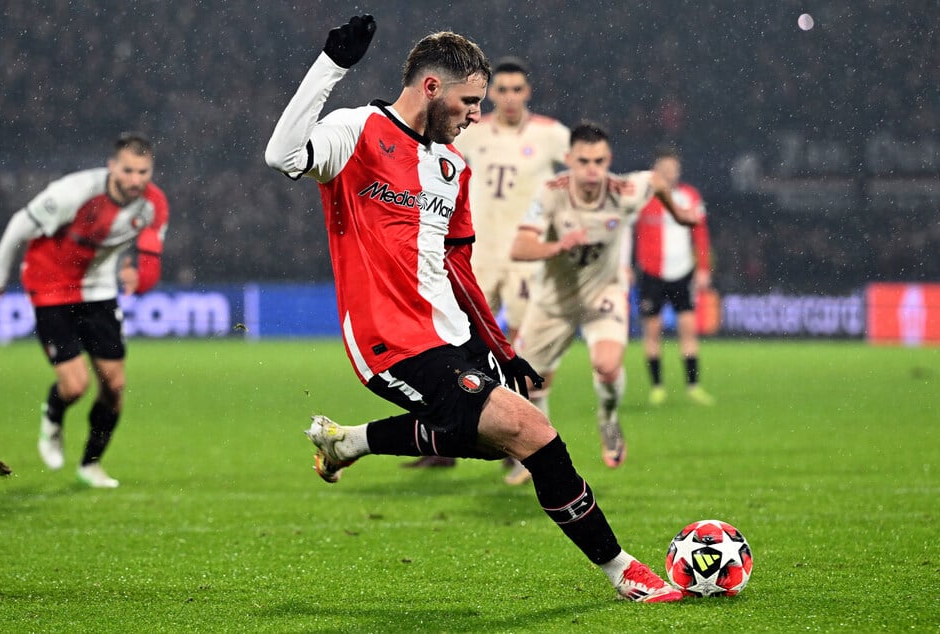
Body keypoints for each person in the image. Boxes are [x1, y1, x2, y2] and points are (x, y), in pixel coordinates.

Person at [265, 15, 683, 603]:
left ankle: (348, 442)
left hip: (452, 334)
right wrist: (332, 66)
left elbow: (457, 267)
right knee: (532, 430)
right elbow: (281, 156)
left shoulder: (452, 167)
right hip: (391, 340)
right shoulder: (357, 129)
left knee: (493, 441)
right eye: (469, 101)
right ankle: (623, 571)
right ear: (431, 88)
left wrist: (500, 349)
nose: (475, 115)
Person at [407, 56, 570, 474]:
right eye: (503, 90)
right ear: (491, 93)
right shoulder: (472, 132)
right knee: (451, 348)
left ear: (527, 92)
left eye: (518, 89)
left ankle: (521, 445)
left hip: (524, 261)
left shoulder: (553, 136)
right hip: (475, 255)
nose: (510, 97)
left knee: (520, 348)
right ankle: (444, 440)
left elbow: (580, 184)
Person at [510, 123, 699, 478]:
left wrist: (677, 213)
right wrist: (558, 246)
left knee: (608, 365)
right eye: (583, 161)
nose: (592, 169)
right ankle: (537, 452)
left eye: (599, 160)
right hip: (555, 301)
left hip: (604, 293)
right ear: (568, 160)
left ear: (609, 159)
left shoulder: (624, 190)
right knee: (531, 383)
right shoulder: (550, 194)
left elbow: (657, 181)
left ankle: (608, 419)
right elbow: (520, 247)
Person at [0, 132, 169, 488]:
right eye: (129, 171)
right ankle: (53, 416)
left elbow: (148, 258)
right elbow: (17, 227)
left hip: (99, 289)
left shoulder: (154, 205)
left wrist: (137, 274)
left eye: (143, 172)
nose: (136, 180)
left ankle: (90, 465)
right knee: (75, 386)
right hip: (50, 288)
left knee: (114, 386)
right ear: (112, 167)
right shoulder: (74, 192)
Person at [634, 147, 715, 406]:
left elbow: (700, 235)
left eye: (673, 169)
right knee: (653, 332)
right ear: (655, 172)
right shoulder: (644, 198)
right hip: (652, 272)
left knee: (688, 330)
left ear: (678, 171)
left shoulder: (690, 196)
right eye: (664, 169)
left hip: (682, 272)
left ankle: (693, 387)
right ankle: (657, 387)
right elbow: (628, 230)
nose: (669, 174)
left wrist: (703, 268)